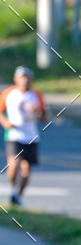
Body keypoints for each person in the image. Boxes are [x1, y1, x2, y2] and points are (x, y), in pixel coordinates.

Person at [0, 66, 46, 206]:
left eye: (27, 77)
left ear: (31, 79)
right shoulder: (9, 93)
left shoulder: (36, 95)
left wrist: (37, 112)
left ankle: (18, 196)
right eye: (22, 77)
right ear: (16, 79)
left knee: (26, 170)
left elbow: (44, 117)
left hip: (31, 136)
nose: (24, 80)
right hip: (14, 135)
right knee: (13, 165)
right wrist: (5, 122)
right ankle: (13, 189)